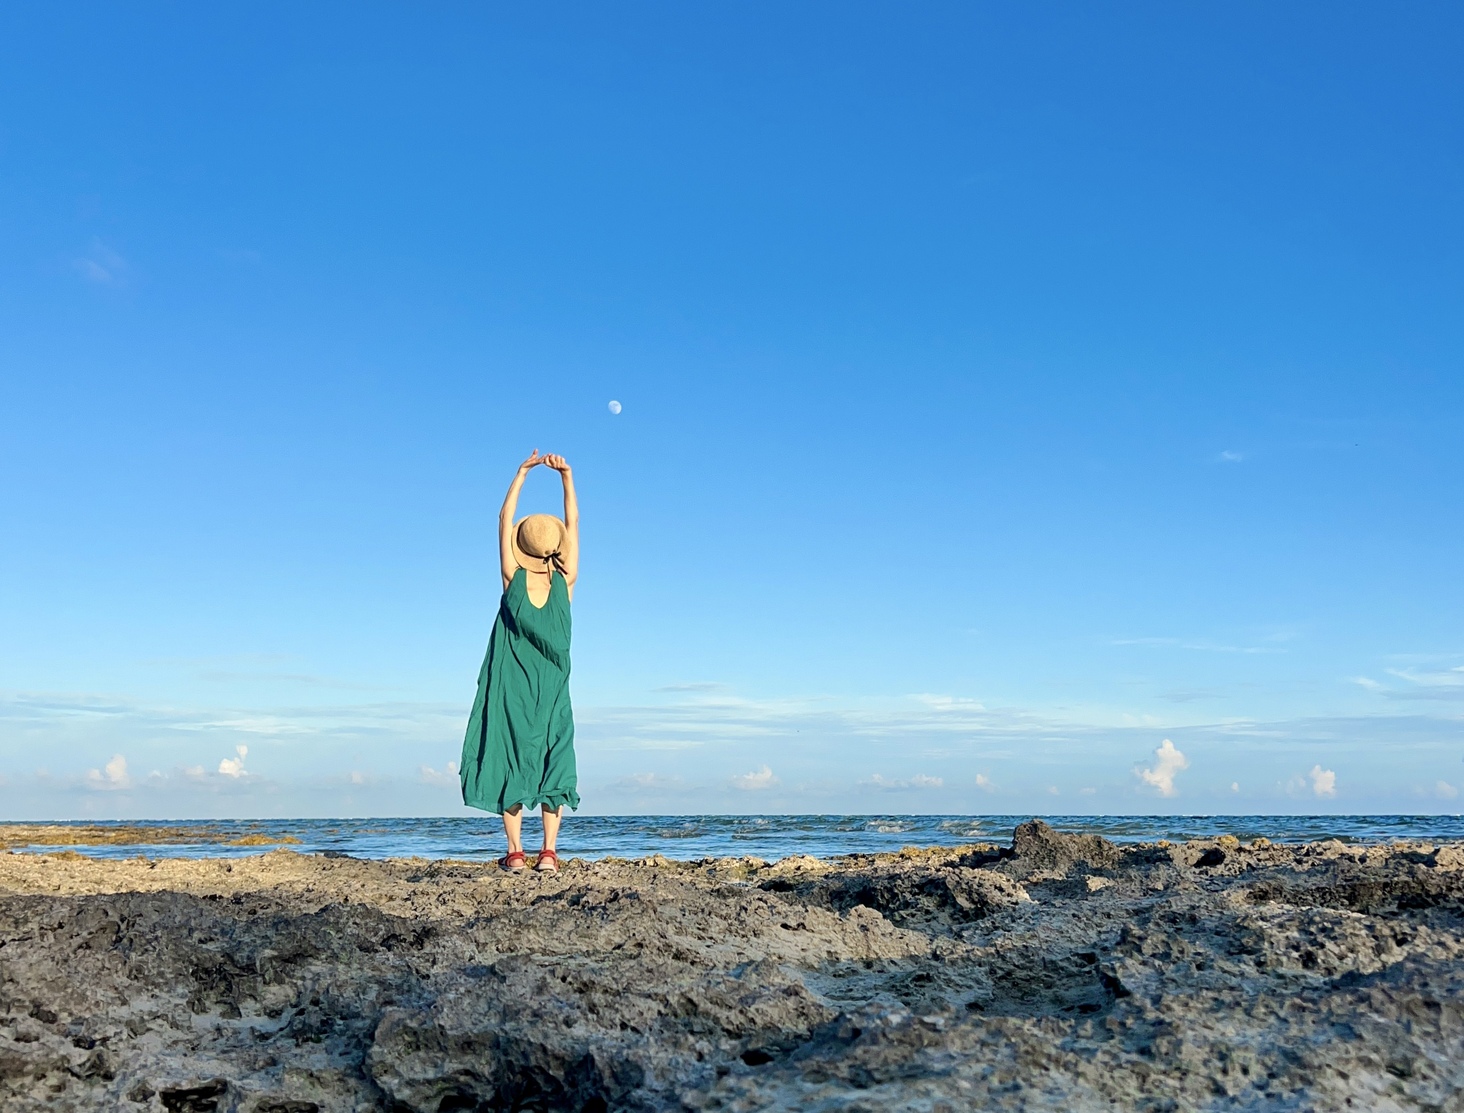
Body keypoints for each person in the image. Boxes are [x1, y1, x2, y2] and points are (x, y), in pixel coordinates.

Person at [460, 449, 580, 872]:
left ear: (522, 544)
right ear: (558, 545)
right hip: (552, 687)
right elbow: (576, 523)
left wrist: (522, 473)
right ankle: (548, 853)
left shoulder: (513, 579)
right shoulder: (566, 584)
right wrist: (567, 478)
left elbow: (501, 520)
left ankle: (515, 854)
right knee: (554, 757)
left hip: (511, 685)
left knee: (507, 754)